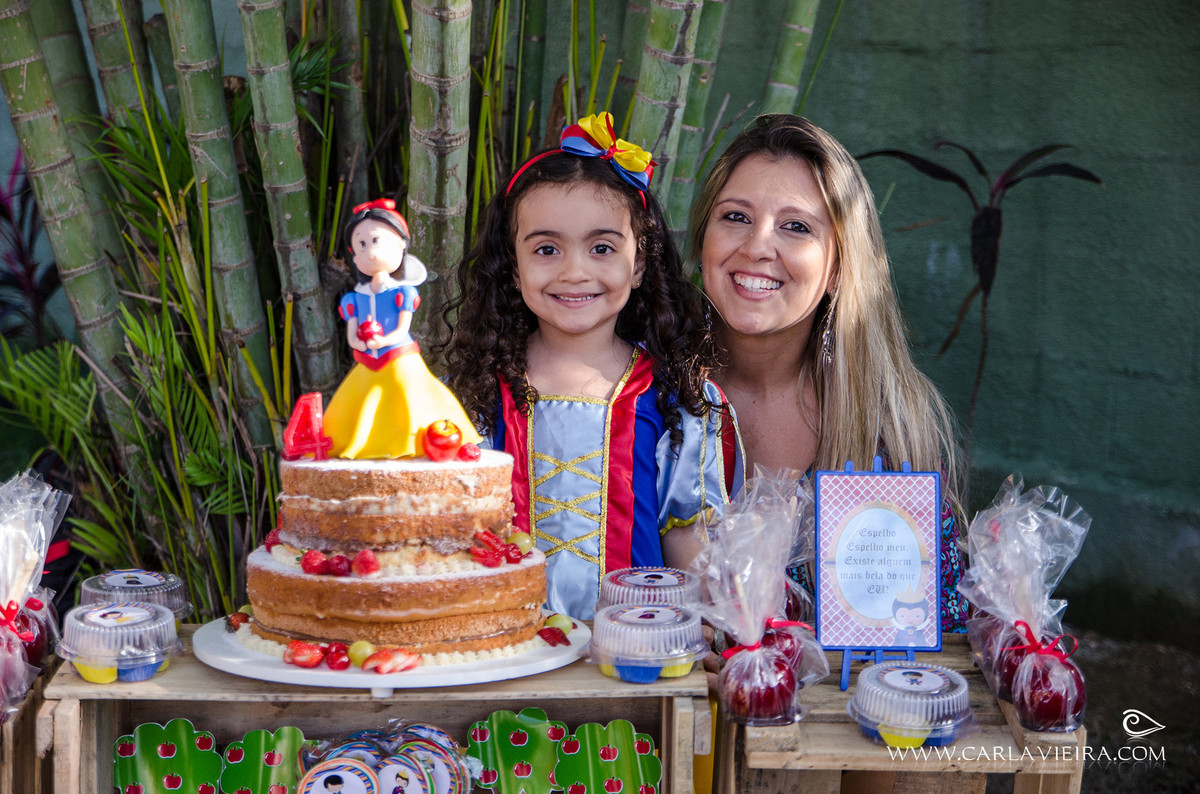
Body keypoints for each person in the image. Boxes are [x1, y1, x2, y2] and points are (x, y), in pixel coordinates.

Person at [441, 112, 738, 619]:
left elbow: (689, 537)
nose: (575, 271)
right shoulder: (475, 394)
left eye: (602, 248)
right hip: (504, 647)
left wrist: (712, 625)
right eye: (547, 249)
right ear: (513, 268)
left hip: (635, 648)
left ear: (639, 263)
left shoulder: (678, 397)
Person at [689, 114, 967, 632]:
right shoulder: (640, 394)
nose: (756, 247)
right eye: (735, 217)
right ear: (703, 238)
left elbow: (927, 631)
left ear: (839, 266)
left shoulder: (888, 425)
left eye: (796, 226)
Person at [323, 198, 482, 459]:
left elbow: (401, 329)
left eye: (376, 241)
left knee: (413, 397)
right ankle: (359, 443)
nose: (369, 251)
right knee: (358, 403)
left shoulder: (402, 293)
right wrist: (360, 343)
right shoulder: (354, 298)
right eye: (361, 245)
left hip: (398, 357)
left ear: (401, 246)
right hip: (366, 361)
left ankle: (421, 441)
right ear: (353, 255)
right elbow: (352, 333)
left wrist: (382, 341)